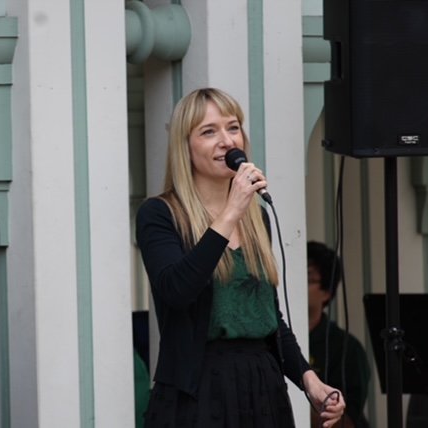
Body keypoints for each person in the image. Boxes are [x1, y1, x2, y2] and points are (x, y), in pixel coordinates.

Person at [135, 87, 345, 427]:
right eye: (208, 131)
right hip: (198, 388)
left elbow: (268, 317)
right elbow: (176, 290)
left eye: (232, 127)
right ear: (184, 147)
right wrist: (231, 210)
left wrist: (309, 380)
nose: (226, 140)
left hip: (262, 387)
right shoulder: (161, 214)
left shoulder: (255, 217)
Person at [308, 241, 371, 428]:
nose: (297, 283)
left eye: (308, 278)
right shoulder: (272, 339)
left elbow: (349, 420)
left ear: (327, 292)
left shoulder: (347, 349)